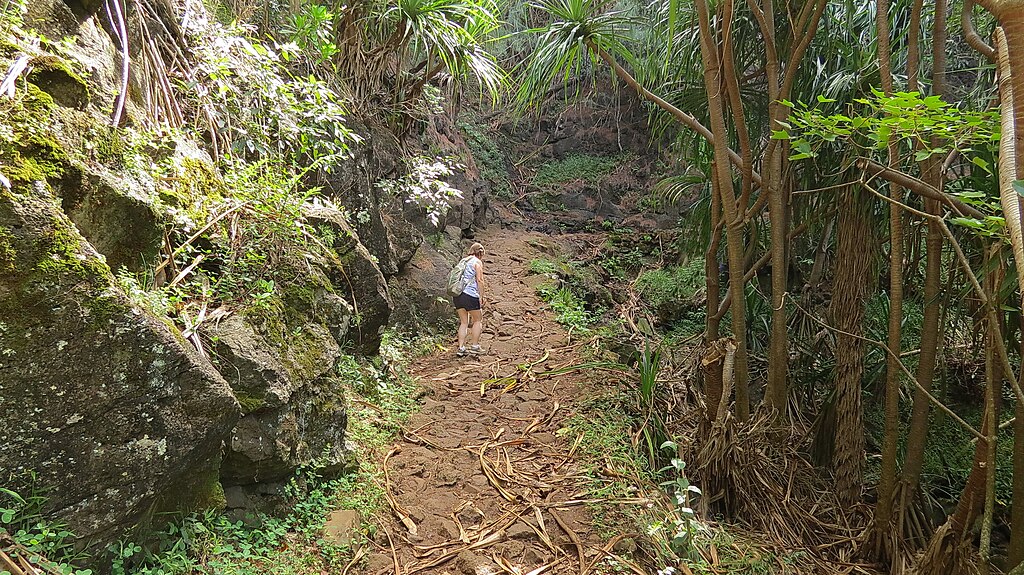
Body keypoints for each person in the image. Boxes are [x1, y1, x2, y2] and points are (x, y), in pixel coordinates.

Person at [454, 242, 485, 356]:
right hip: (470, 295)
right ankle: (475, 346)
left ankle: (461, 348)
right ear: (480, 253)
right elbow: (480, 280)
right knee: (477, 320)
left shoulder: (463, 261)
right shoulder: (477, 262)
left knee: (463, 322)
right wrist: (481, 296)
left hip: (458, 294)